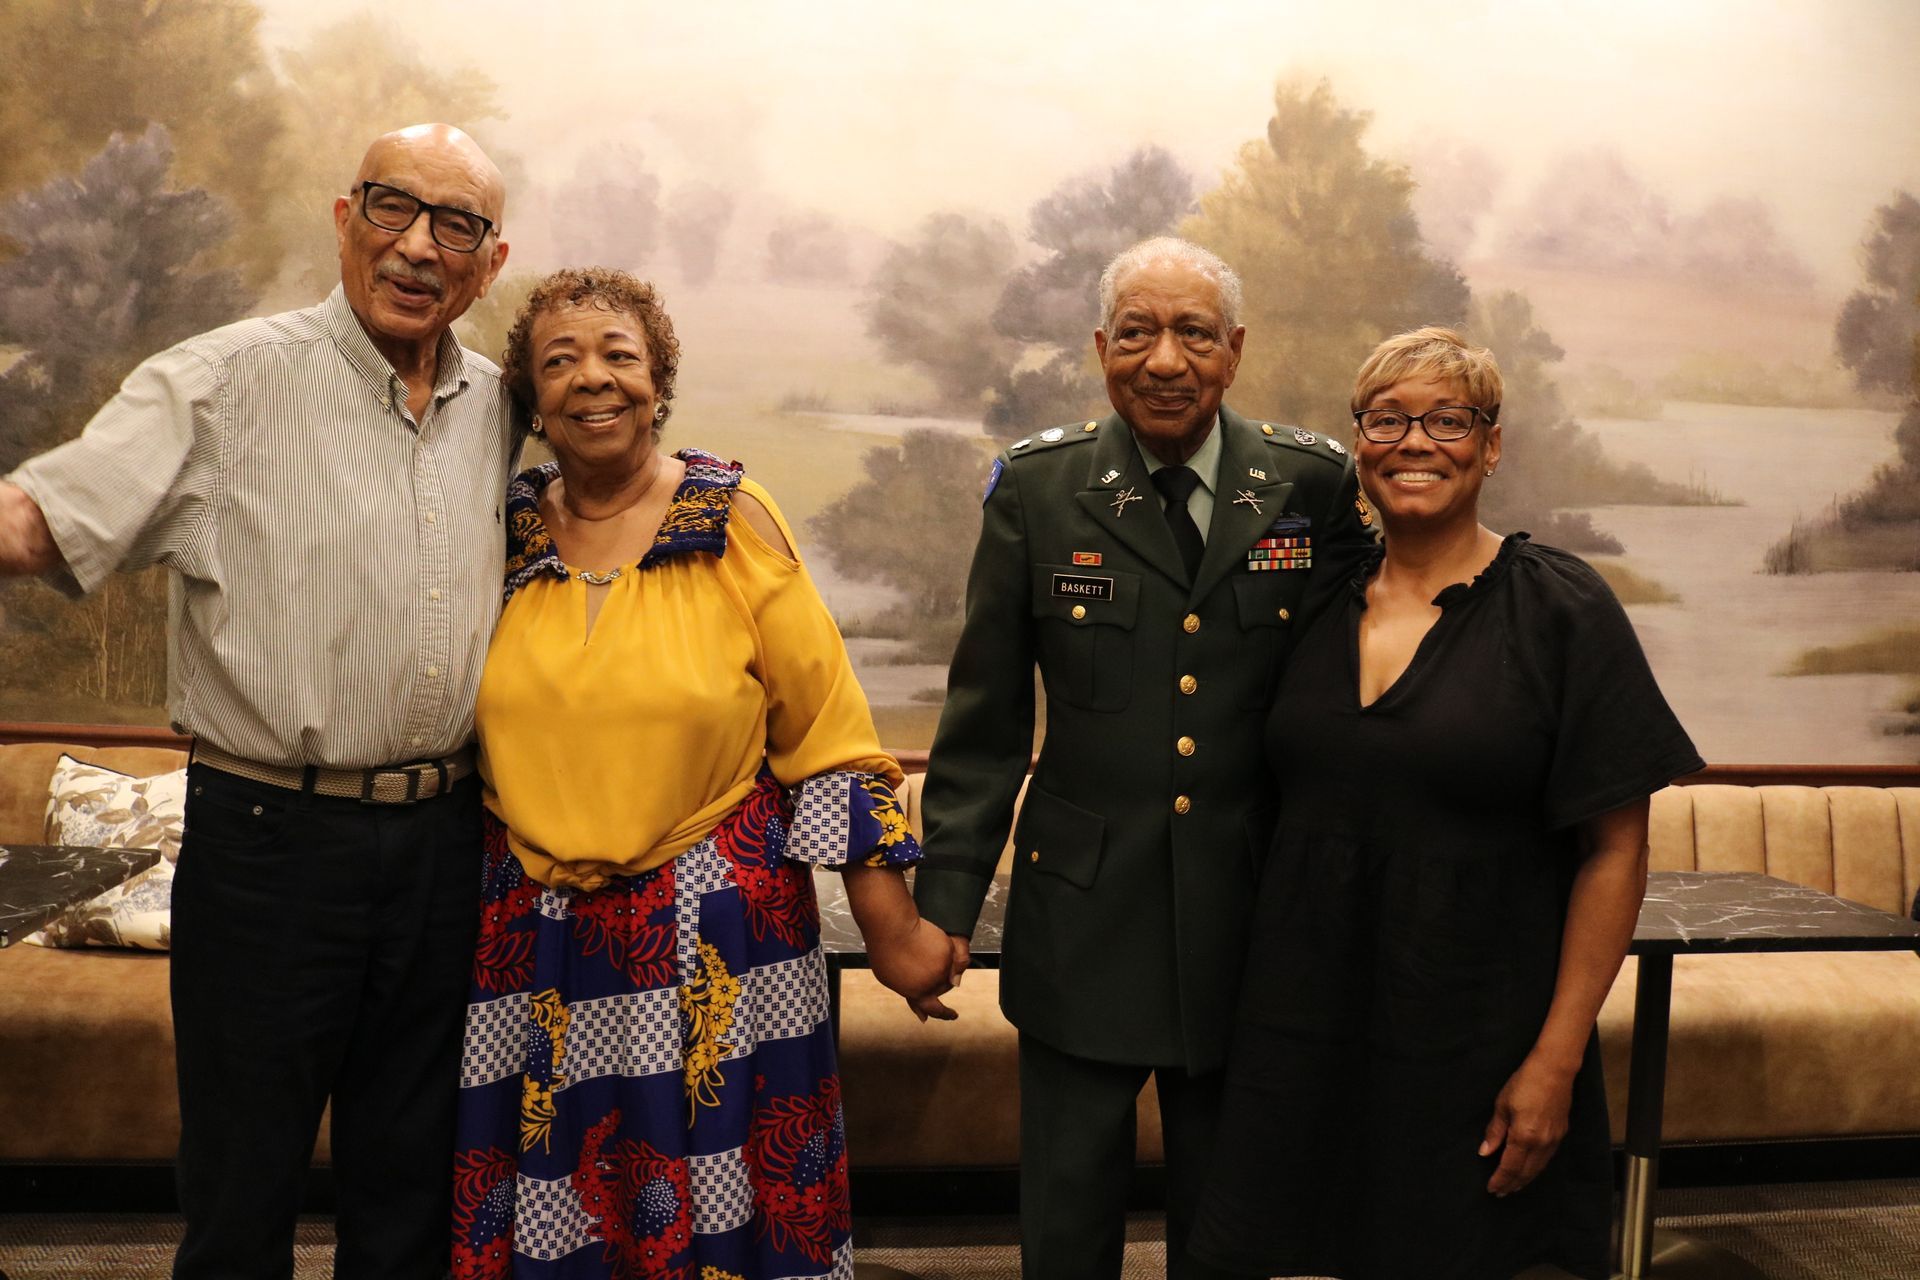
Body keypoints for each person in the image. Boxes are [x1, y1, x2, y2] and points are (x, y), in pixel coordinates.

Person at [0, 124, 515, 1277]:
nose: (418, 246)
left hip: (451, 845)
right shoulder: (220, 383)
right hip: (272, 841)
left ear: (491, 260)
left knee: (412, 1189)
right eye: (392, 206)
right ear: (345, 218)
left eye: (456, 224)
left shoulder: (507, 408)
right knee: (242, 1188)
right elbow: (41, 520)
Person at [450, 267, 957, 1280]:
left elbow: (830, 736)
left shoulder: (732, 517)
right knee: (562, 1227)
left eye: (618, 355)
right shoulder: (497, 533)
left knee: (727, 1221)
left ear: (658, 378)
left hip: (720, 936)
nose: (593, 379)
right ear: (531, 396)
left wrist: (896, 930)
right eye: (561, 361)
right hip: (537, 940)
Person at [1186, 328, 1705, 1280]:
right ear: (1360, 443)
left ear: (1491, 445)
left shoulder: (1561, 609)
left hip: (1475, 1045)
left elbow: (1615, 852)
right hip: (1298, 1035)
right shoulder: (1310, 599)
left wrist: (1553, 1063)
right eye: (1387, 420)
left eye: (1447, 419)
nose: (1414, 442)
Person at [910, 237, 1372, 1280]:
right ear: (1100, 349)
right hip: (1081, 913)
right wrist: (945, 903)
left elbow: (1354, 711)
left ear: (1235, 349)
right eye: (1137, 334)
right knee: (1067, 1226)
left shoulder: (1309, 484)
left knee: (1231, 1226)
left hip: (1249, 914)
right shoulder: (1040, 488)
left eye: (1194, 333)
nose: (1165, 360)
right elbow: (985, 721)